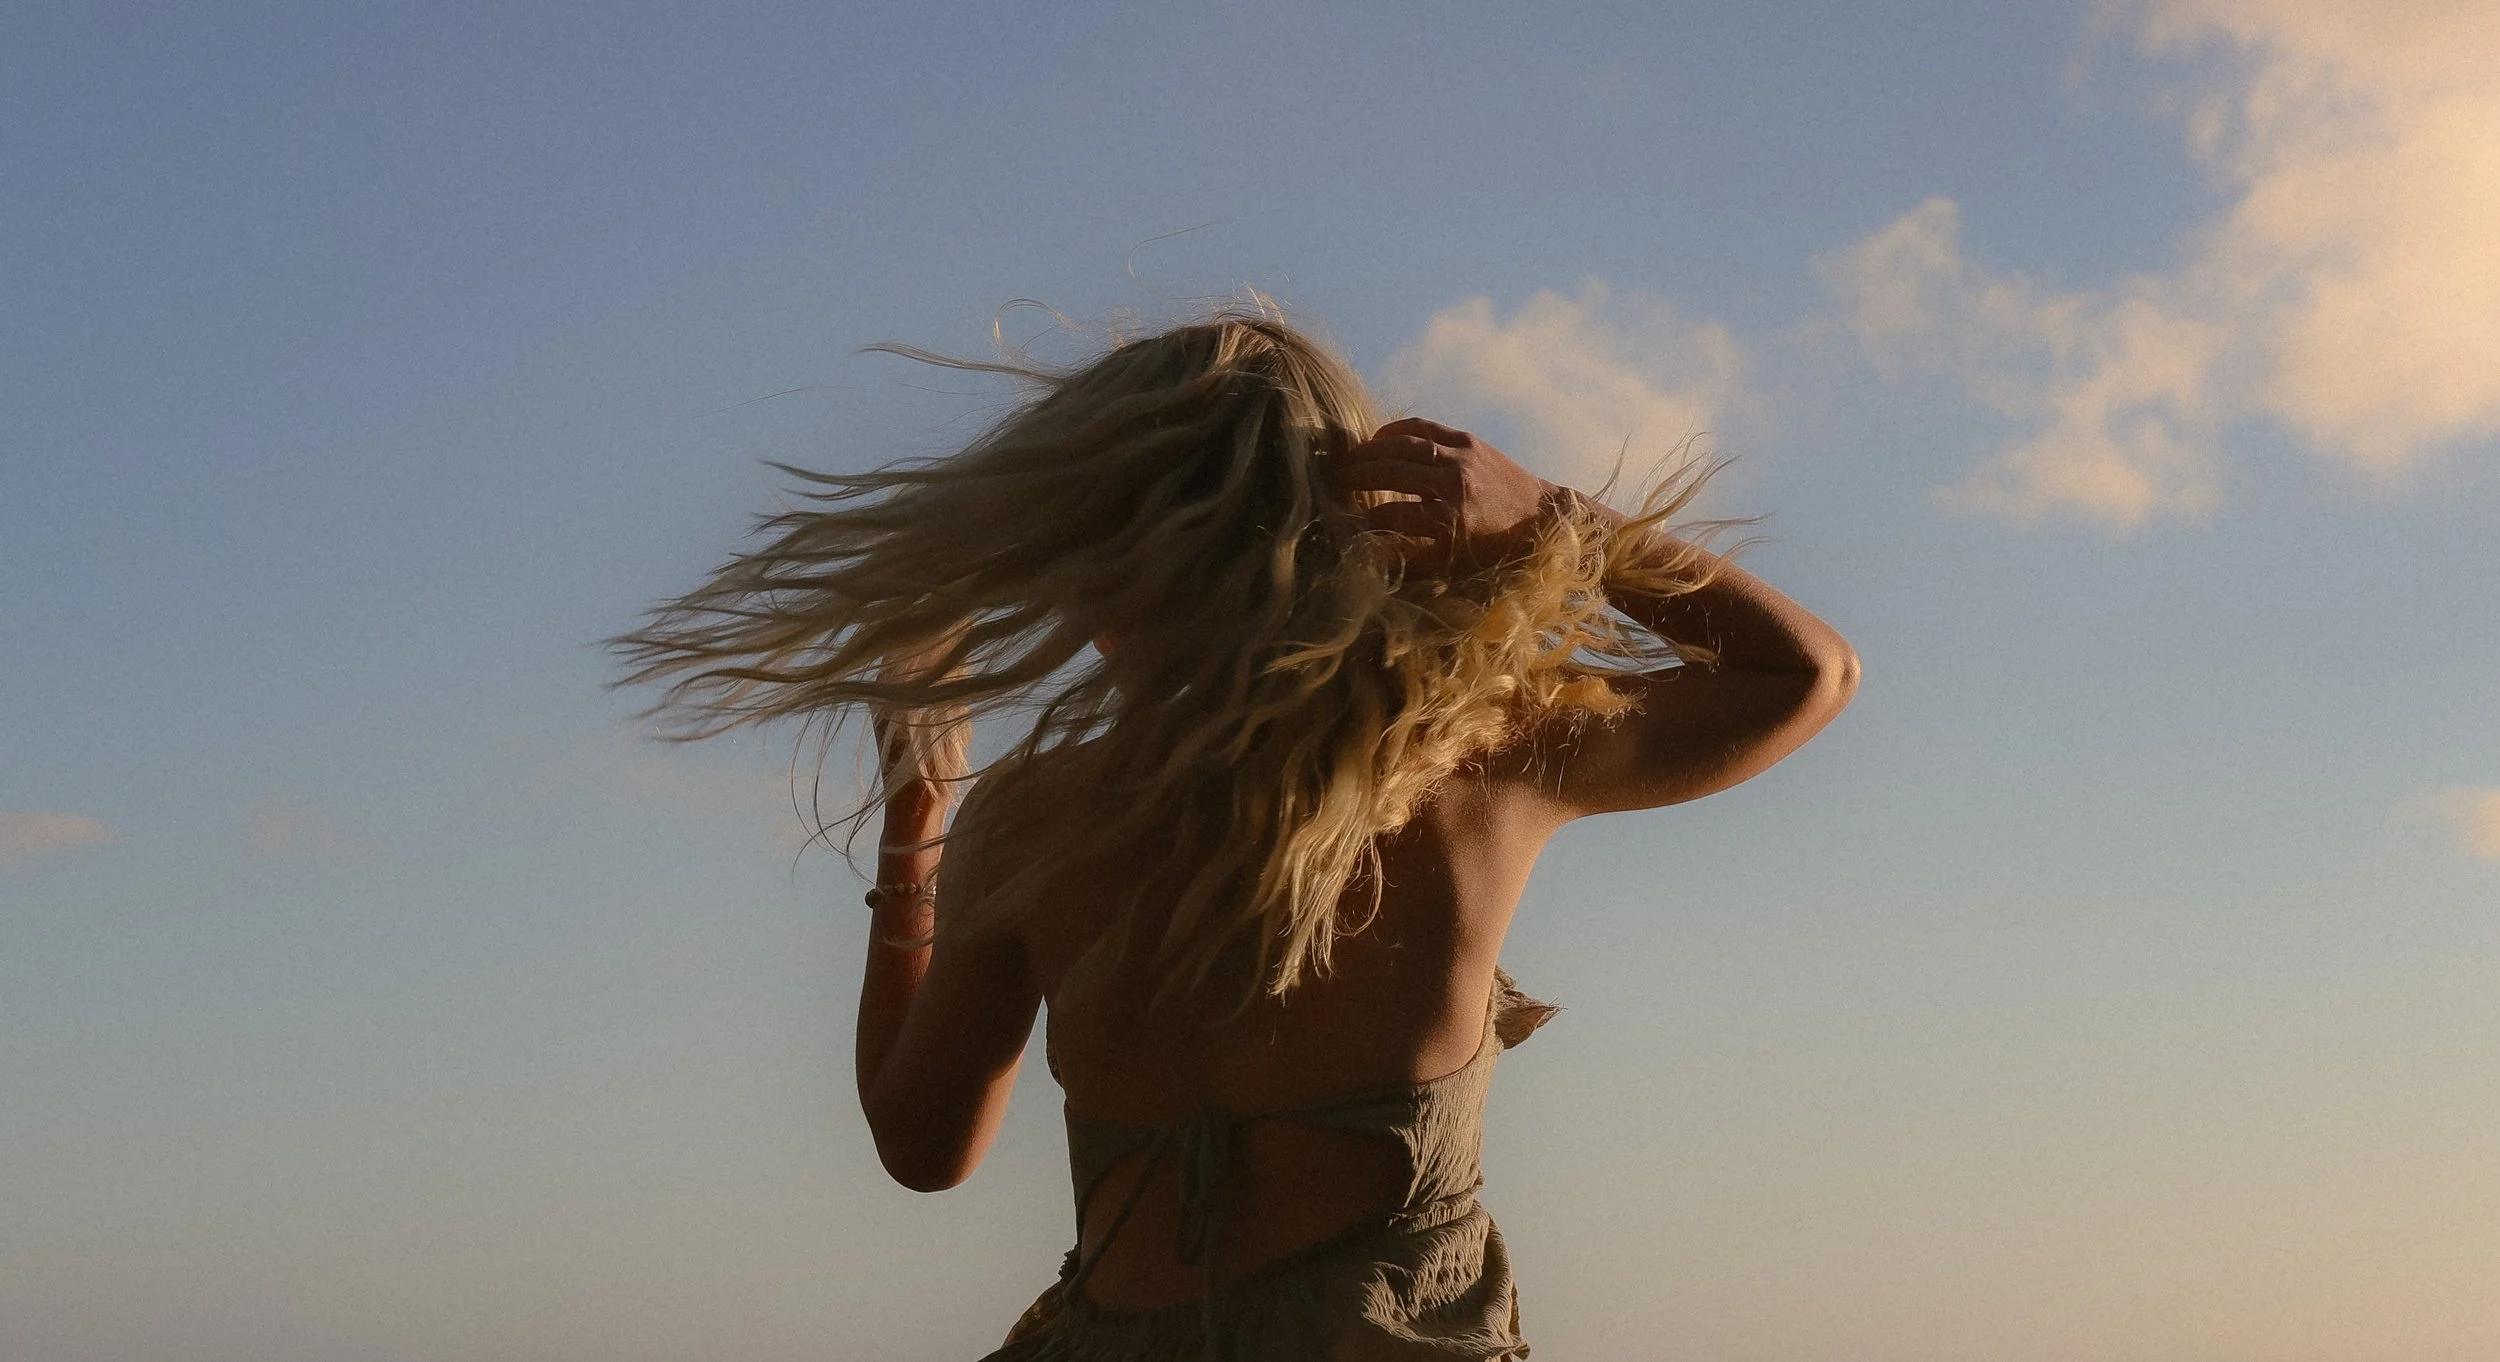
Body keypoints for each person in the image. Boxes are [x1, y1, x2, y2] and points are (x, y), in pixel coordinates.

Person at [615, 307, 1857, 1359]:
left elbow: (923, 1146)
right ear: (1349, 533)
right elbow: (1805, 676)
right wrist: (1555, 521)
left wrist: (916, 824)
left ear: (1094, 553)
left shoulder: (1032, 822)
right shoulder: (1469, 767)